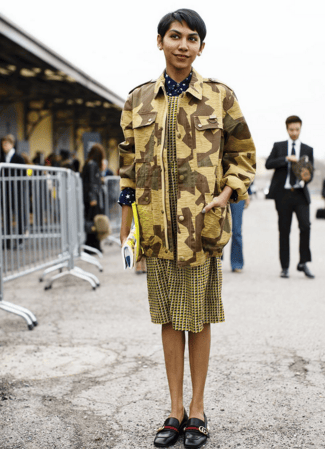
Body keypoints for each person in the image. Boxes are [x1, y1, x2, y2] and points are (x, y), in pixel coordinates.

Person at [118, 9, 256, 448]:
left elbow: (244, 156)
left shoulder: (220, 97)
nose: (183, 45)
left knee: (196, 319)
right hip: (158, 232)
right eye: (174, 36)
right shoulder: (137, 101)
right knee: (167, 320)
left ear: (200, 47)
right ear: (159, 41)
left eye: (191, 38)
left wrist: (228, 194)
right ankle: (173, 409)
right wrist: (127, 231)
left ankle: (197, 410)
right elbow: (127, 170)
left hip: (201, 229)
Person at [265, 116, 315, 279]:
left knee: (306, 227)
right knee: (284, 231)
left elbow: (310, 175)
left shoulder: (308, 149)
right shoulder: (279, 146)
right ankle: (284, 267)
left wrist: (307, 176)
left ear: (301, 129)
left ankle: (303, 263)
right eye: (291, 129)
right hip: (283, 195)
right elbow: (268, 164)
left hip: (300, 194)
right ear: (287, 129)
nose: (294, 132)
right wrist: (285, 159)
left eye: (297, 129)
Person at [0, 134, 26, 248]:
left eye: (6, 144)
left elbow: (23, 175)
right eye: (3, 144)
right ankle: (7, 240)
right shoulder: (1, 157)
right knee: (6, 216)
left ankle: (20, 240)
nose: (4, 146)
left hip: (17, 191)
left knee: (19, 215)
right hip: (4, 191)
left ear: (12, 144)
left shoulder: (19, 158)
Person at [81, 143, 105, 252]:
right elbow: (91, 182)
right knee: (94, 222)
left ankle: (93, 246)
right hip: (92, 199)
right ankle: (93, 246)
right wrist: (92, 198)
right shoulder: (92, 165)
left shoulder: (89, 164)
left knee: (92, 222)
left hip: (90, 198)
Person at [230, 186, 252, 273]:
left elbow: (246, 173)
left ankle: (237, 263)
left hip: (238, 192)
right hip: (217, 191)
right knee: (216, 229)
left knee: (236, 231)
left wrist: (247, 194)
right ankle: (216, 261)